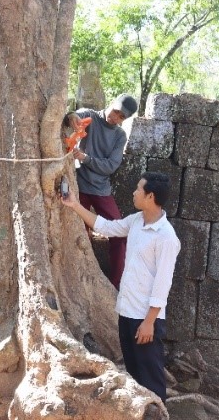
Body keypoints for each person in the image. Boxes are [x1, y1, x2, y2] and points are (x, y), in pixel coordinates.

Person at [61, 171, 180, 402]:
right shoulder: (136, 221)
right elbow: (105, 227)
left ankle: (159, 414)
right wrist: (74, 205)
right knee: (135, 376)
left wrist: (149, 323)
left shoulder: (166, 237)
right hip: (126, 312)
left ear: (150, 196)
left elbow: (162, 285)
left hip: (145, 320)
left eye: (138, 189)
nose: (134, 192)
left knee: (151, 379)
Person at [62, 94, 138, 290]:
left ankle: (115, 285)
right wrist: (72, 118)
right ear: (111, 104)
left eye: (121, 117)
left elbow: (111, 166)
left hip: (100, 189)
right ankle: (81, 283)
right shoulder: (91, 116)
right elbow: (73, 116)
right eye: (115, 112)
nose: (115, 118)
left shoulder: (119, 136)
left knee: (120, 234)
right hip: (78, 186)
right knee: (80, 235)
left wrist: (86, 158)